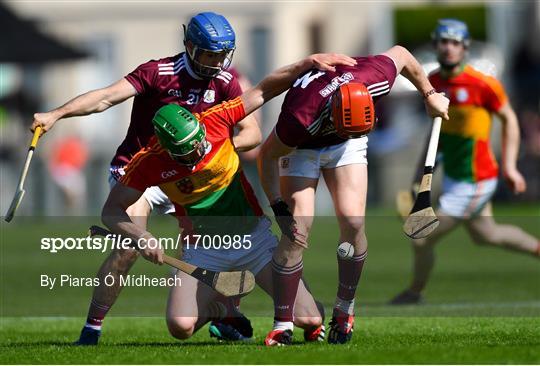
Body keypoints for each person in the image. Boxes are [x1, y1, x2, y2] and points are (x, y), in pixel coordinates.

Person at [30, 12, 261, 345]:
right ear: (190, 47)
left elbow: (251, 131)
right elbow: (106, 97)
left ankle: (220, 313)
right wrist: (56, 114)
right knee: (130, 247)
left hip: (190, 178)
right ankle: (91, 329)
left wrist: (214, 152)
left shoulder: (224, 82)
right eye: (209, 54)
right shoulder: (158, 72)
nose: (216, 62)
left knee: (222, 248)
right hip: (140, 172)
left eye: (221, 54)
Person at [101, 53, 356, 343]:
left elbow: (263, 90)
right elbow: (111, 210)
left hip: (254, 240)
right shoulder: (148, 162)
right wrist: (140, 235)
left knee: (308, 319)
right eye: (188, 151)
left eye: (199, 142)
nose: (199, 151)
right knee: (180, 327)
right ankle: (222, 309)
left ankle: (306, 309)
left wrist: (305, 64)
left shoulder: (215, 119)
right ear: (165, 148)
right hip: (203, 249)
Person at [257, 45, 449, 345]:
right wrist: (277, 204)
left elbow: (402, 54)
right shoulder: (298, 119)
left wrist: (429, 94)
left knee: (354, 221)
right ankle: (283, 323)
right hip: (303, 147)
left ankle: (345, 311)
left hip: (345, 146)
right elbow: (266, 156)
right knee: (297, 230)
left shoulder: (375, 77)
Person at [390, 19, 540, 306]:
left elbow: (509, 119)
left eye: (455, 42)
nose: (449, 47)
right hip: (454, 178)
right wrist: (418, 177)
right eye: (444, 41)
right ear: (436, 45)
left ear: (465, 47)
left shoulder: (482, 84)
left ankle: (414, 293)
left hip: (477, 178)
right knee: (488, 234)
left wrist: (509, 166)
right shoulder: (432, 81)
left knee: (421, 237)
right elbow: (436, 135)